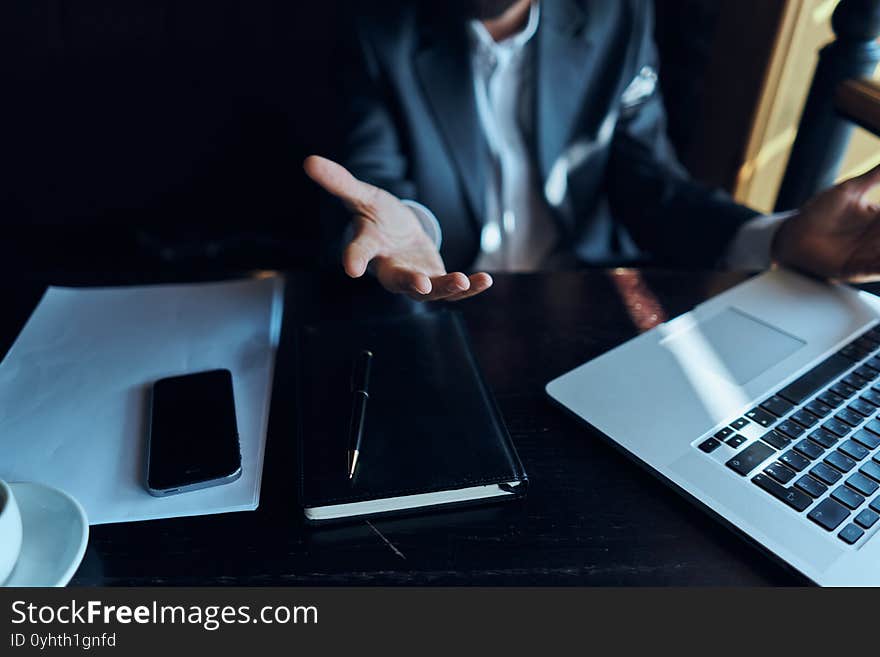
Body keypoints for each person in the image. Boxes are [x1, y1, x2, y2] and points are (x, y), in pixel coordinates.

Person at [304, 0, 880, 302]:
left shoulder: (615, 13)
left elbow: (650, 182)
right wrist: (415, 234)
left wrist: (776, 239)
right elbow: (380, 180)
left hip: (583, 298)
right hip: (441, 300)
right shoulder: (373, 27)